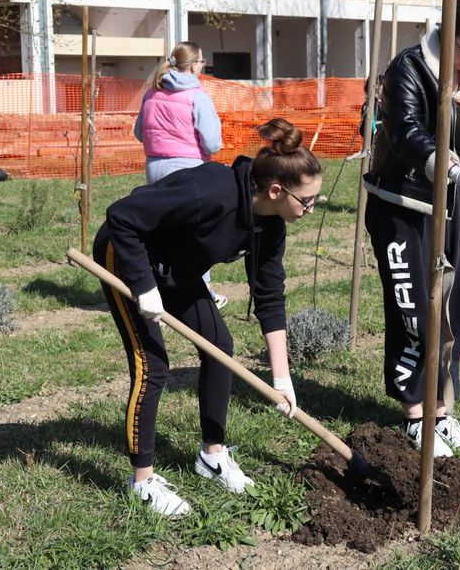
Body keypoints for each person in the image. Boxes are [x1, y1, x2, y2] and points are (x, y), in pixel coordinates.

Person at [95, 118, 321, 517]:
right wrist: (145, 288)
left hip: (175, 266)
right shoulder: (209, 192)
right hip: (126, 254)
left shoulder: (270, 227)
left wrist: (282, 379)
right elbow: (123, 217)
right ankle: (142, 482)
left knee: (221, 348)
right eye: (308, 201)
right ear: (275, 190)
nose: (312, 208)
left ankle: (212, 456)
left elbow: (269, 297)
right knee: (153, 365)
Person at [364, 0, 460, 458]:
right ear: (446, 36)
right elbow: (404, 129)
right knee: (414, 308)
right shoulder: (408, 67)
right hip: (403, 203)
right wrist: (445, 167)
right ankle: (415, 415)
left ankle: (442, 412)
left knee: (456, 309)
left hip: (451, 204)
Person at [134, 42, 227, 308]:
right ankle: (203, 292)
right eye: (203, 62)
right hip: (189, 168)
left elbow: (140, 132)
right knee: (194, 230)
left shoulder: (152, 92)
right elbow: (211, 143)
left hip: (154, 166)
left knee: (162, 229)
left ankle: (157, 287)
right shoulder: (197, 95)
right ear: (195, 64)